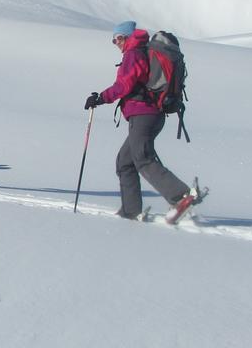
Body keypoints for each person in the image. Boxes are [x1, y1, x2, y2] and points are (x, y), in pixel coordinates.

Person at [85, 21, 202, 220]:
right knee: (125, 162)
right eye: (114, 41)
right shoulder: (140, 52)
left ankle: (180, 196)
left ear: (129, 37)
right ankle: (131, 211)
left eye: (120, 38)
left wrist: (101, 98)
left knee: (143, 158)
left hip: (144, 114)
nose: (117, 43)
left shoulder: (134, 53)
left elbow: (125, 84)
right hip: (149, 114)